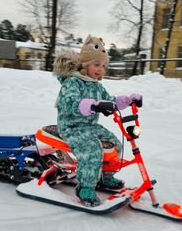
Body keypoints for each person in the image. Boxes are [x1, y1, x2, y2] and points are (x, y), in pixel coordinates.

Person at [53, 35, 142, 207]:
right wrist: (92, 105)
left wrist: (129, 100)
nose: (101, 70)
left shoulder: (97, 86)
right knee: (93, 150)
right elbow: (70, 103)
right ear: (85, 64)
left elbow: (110, 101)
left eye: (104, 66)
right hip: (71, 127)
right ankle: (84, 188)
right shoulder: (72, 82)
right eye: (97, 65)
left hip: (90, 126)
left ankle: (105, 177)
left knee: (114, 144)